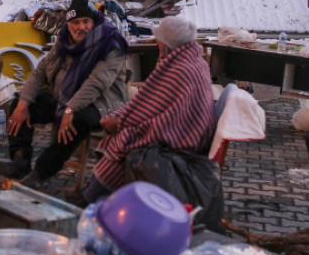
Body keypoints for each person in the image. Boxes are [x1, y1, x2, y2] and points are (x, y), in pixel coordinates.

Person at [0, 0, 129, 190]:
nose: (81, 27)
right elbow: (42, 69)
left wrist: (70, 109)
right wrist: (25, 101)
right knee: (19, 103)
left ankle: (41, 172)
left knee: (77, 120)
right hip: (63, 97)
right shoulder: (65, 41)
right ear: (68, 24)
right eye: (75, 22)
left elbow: (97, 83)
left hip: (100, 103)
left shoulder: (111, 45)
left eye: (86, 21)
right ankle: (20, 162)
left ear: (94, 22)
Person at [82, 17, 216, 204]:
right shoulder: (193, 61)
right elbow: (149, 103)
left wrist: (119, 121)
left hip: (182, 137)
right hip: (188, 130)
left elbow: (154, 112)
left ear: (168, 43)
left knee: (124, 139)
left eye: (160, 40)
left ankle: (93, 198)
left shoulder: (179, 70)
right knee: (122, 133)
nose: (158, 44)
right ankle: (97, 195)